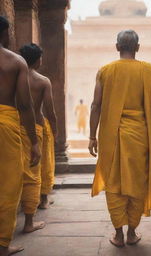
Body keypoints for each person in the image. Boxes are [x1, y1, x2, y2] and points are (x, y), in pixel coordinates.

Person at [89, 30, 151, 247]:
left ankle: (118, 234)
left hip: (112, 137)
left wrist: (91, 136)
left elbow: (95, 105)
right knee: (138, 182)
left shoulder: (105, 71)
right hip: (140, 136)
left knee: (114, 183)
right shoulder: (148, 71)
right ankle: (132, 232)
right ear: (138, 47)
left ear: (117, 47)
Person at [0, 17, 40, 256]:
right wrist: (34, 141)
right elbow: (25, 105)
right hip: (6, 125)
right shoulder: (15, 61)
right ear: (5, 33)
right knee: (8, 184)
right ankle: (2, 245)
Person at [20, 43, 57, 213]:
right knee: (42, 164)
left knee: (21, 164)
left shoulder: (14, 78)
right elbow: (50, 110)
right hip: (37, 126)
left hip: (17, 125)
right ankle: (42, 199)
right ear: (37, 60)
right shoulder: (42, 81)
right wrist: (55, 130)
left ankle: (23, 200)